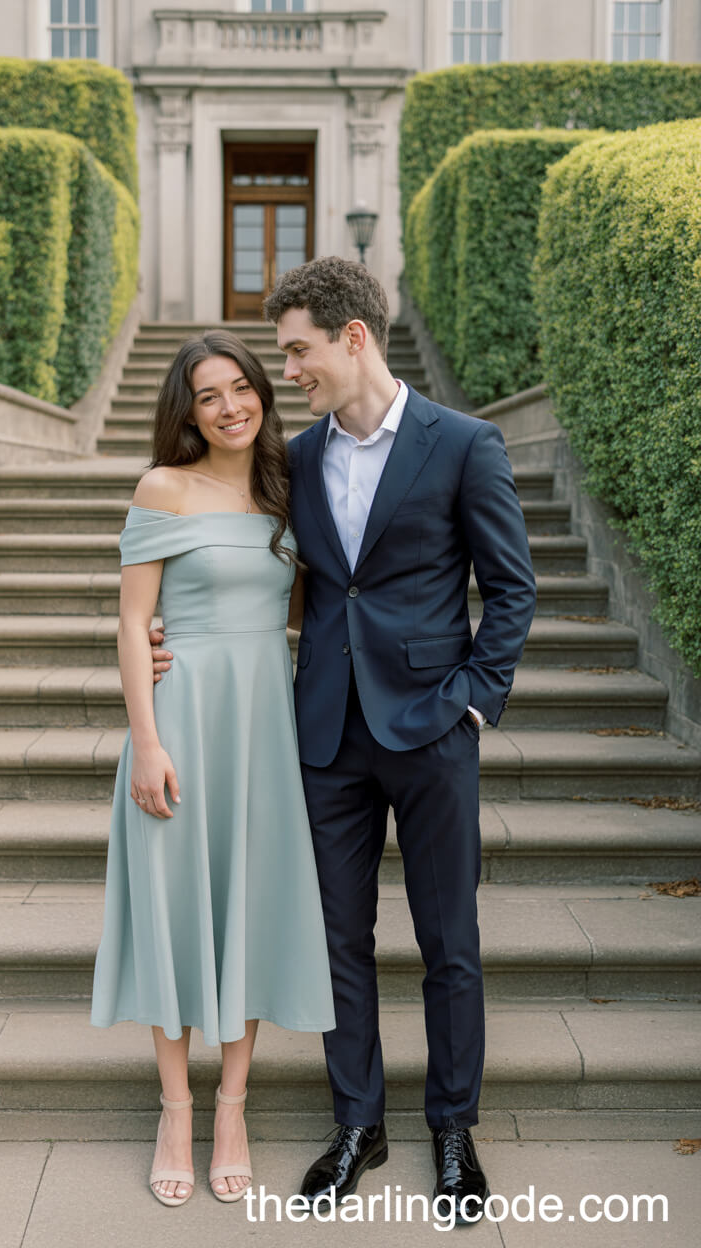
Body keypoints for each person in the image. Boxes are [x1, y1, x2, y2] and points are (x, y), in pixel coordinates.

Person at [152, 257, 537, 1220]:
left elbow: (513, 588)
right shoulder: (300, 461)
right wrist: (174, 630)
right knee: (337, 942)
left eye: (297, 351)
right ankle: (358, 1124)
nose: (288, 372)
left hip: (433, 728)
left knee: (450, 940)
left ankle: (453, 1130)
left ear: (352, 337)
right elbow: (253, 562)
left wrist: (474, 701)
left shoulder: (465, 445)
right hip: (323, 734)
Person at [91, 329, 335, 1209]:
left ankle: (232, 1106)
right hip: (183, 720)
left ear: (264, 393)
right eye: (209, 395)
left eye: (243, 388)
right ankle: (174, 1107)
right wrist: (146, 738)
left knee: (248, 908)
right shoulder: (164, 487)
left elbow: (310, 601)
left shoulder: (286, 490)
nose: (231, 406)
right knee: (175, 909)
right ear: (185, 410)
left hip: (263, 727)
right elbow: (132, 621)